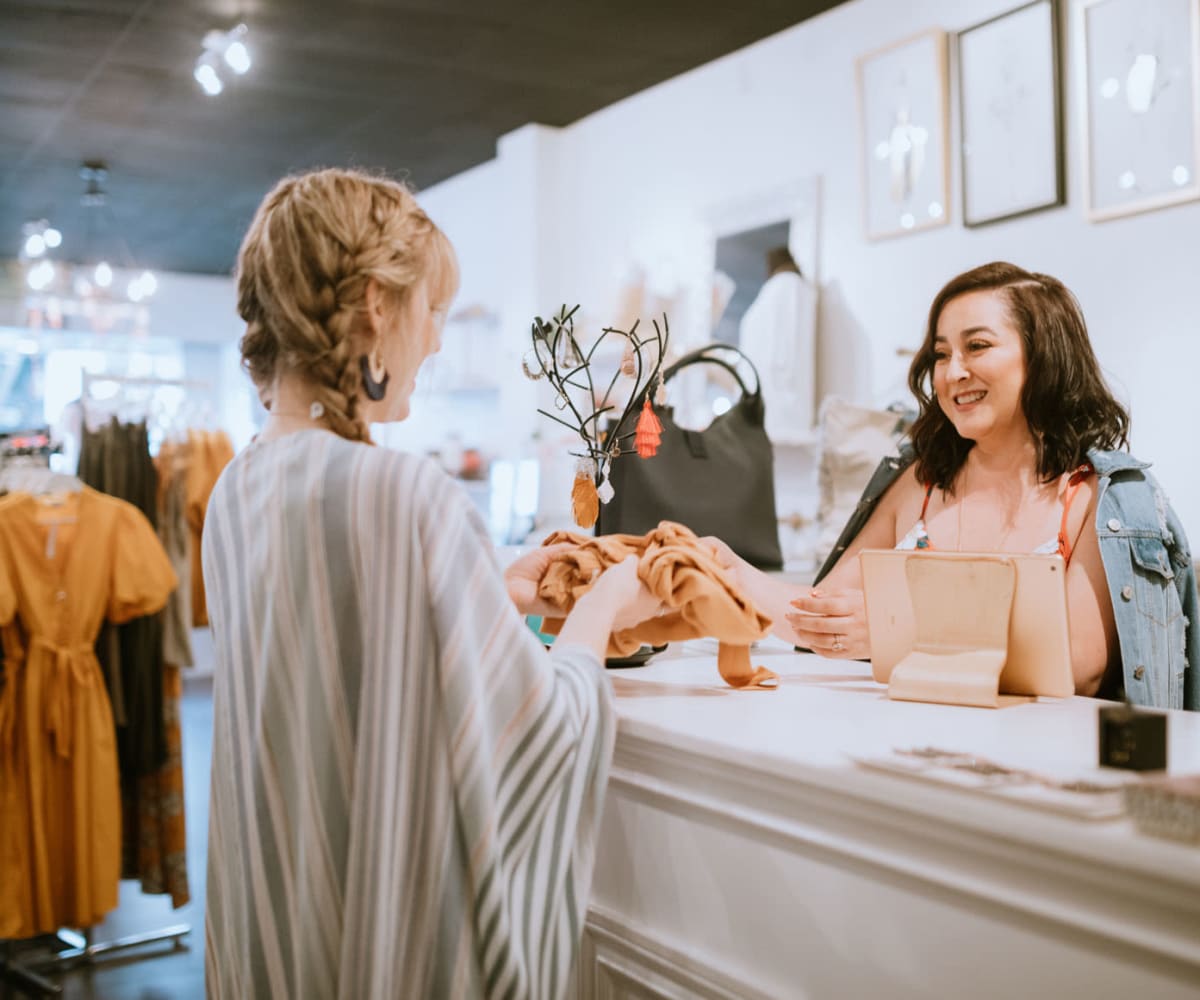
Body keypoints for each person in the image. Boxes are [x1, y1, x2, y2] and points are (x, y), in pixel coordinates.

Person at [202, 167, 660, 998]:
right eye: (432, 311)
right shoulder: (404, 495)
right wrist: (601, 609)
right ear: (377, 304)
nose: (437, 341)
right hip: (380, 947)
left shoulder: (238, 487)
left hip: (278, 921)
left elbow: (336, 653)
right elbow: (540, 734)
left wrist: (489, 587)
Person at [719, 261, 1197, 710]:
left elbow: (1078, 665)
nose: (952, 372)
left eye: (978, 346)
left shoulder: (1100, 497)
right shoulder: (918, 482)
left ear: (1044, 356)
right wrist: (724, 569)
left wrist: (898, 631)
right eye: (942, 353)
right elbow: (819, 618)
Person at [736, 245, 817, 439]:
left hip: (779, 392)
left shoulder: (788, 286)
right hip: (776, 392)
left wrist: (782, 375)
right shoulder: (787, 288)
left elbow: (787, 340)